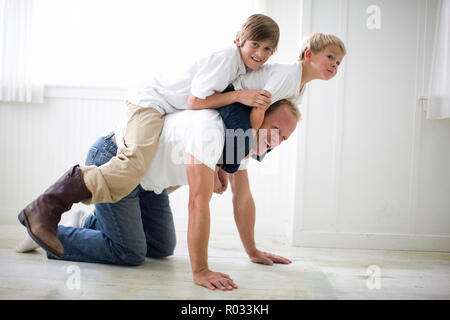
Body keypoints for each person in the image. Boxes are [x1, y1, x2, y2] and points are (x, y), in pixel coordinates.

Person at [17, 14, 280, 258]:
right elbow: (195, 100)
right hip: (149, 101)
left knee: (161, 247)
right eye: (255, 44)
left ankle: (86, 224)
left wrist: (221, 166)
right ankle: (46, 206)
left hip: (162, 108)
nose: (260, 53)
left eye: (267, 48)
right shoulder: (227, 59)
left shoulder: (243, 70)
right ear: (239, 40)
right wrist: (238, 96)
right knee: (133, 164)